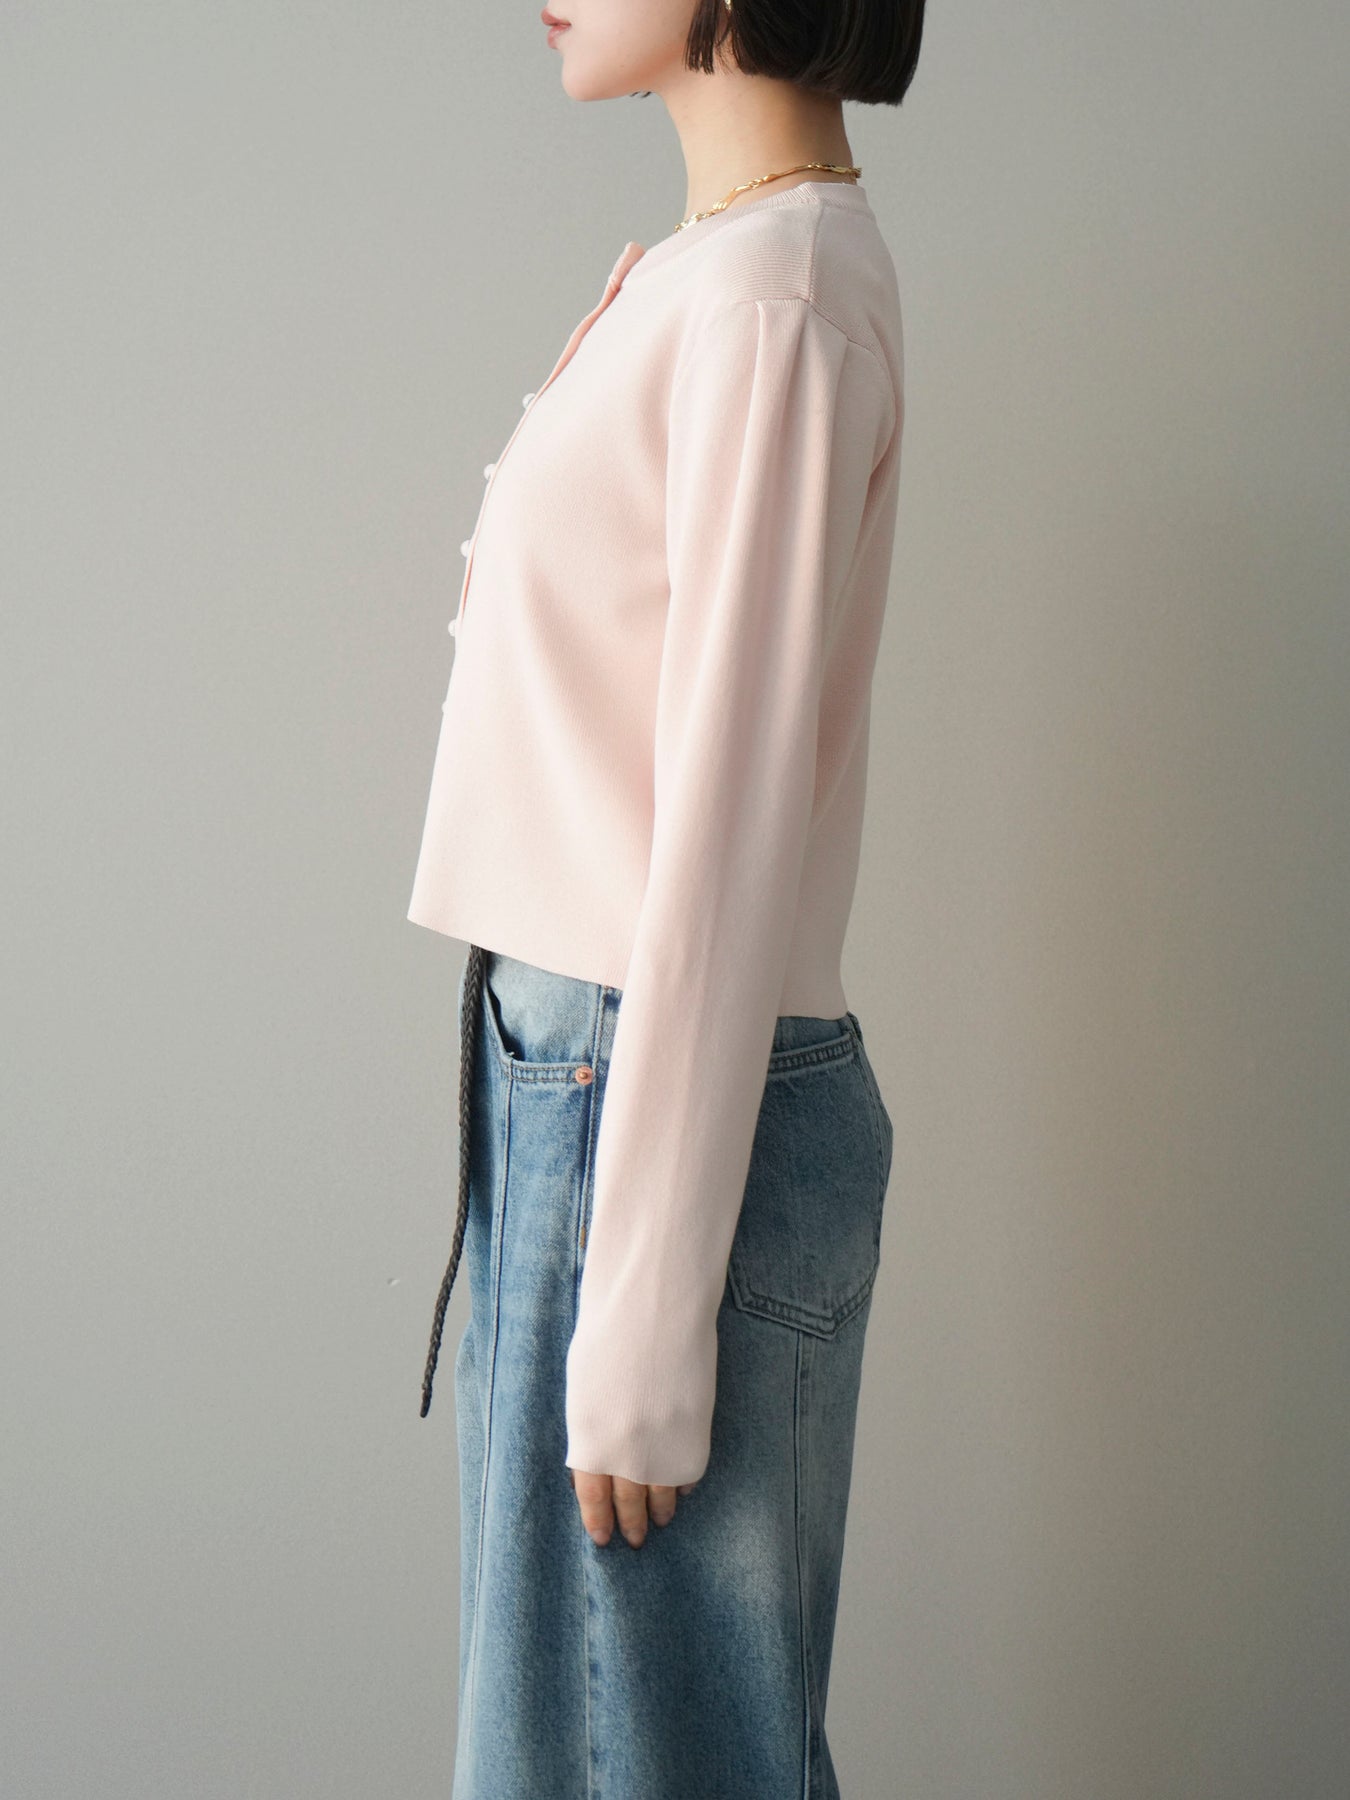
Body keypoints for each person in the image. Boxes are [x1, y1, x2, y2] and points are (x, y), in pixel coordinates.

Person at [405, 2, 925, 1793]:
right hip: (587, 1078)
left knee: (644, 1756)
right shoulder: (733, 271)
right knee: (589, 1750)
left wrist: (639, 1317)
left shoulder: (775, 296)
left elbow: (725, 822)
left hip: (645, 1096)